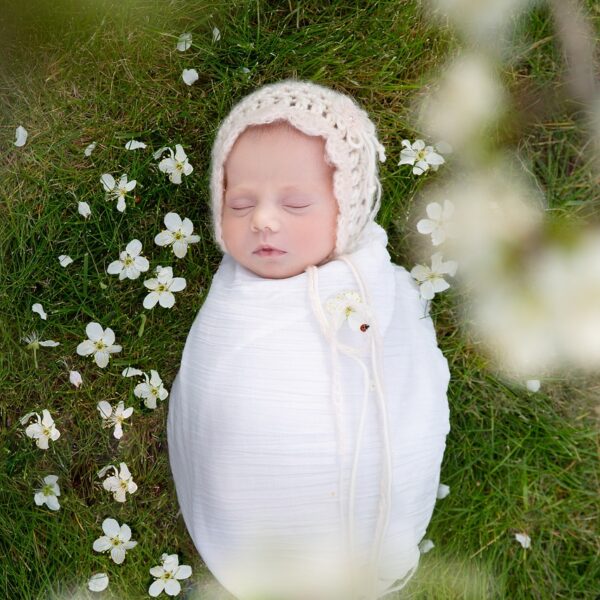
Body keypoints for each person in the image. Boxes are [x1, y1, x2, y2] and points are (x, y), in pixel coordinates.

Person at [167, 79, 451, 600]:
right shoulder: (234, 301)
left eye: (295, 204)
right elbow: (214, 389)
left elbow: (413, 378)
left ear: (348, 214)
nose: (264, 220)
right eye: (240, 203)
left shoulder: (375, 284)